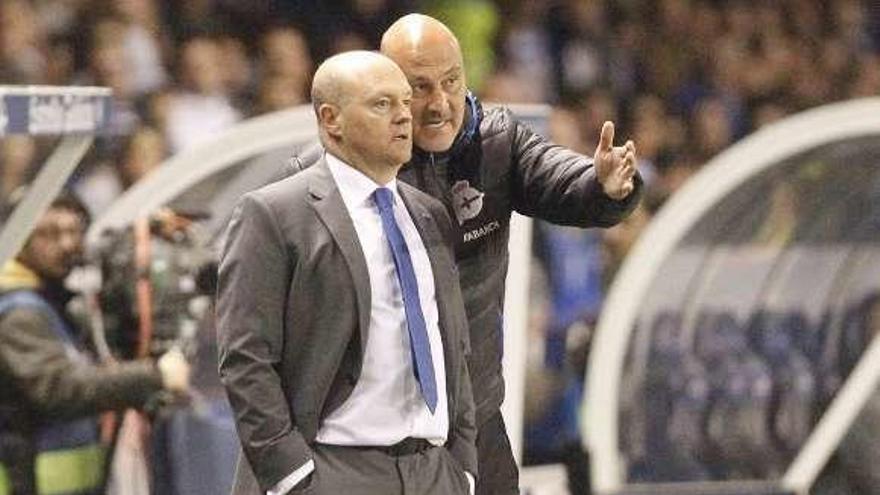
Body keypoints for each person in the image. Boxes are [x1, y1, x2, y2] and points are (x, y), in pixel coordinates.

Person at [289, 14, 642, 494]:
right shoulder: (331, 172)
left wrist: (603, 186)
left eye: (451, 82)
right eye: (420, 88)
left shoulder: (498, 143)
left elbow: (563, 181)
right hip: (369, 438)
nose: (440, 104)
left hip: (474, 419)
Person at [216, 51, 477, 495]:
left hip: (434, 474)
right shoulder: (274, 214)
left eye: (403, 101)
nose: (403, 116)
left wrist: (463, 467)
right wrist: (292, 475)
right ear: (330, 119)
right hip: (333, 470)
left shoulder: (429, 214)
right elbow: (246, 360)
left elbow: (452, 343)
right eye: (381, 104)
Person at [0, 193, 191, 495]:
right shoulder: (18, 313)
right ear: (19, 238)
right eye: (48, 233)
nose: (66, 244)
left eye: (73, 231)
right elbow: (61, 387)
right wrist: (154, 375)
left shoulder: (52, 304)